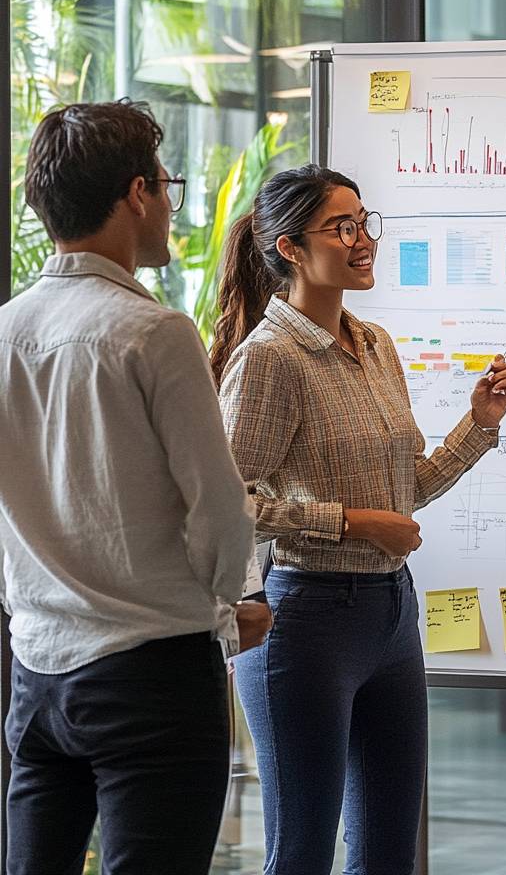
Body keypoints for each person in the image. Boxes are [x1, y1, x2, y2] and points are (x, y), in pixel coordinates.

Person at [211, 164, 506, 875]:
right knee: (302, 855)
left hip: (390, 616)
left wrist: (477, 426)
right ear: (290, 248)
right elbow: (227, 506)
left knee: (387, 854)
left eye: (364, 221)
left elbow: (403, 493)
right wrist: (348, 523)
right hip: (305, 623)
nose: (362, 239)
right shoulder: (268, 360)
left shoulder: (375, 343)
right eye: (341, 226)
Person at [0, 100, 273, 875]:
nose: (167, 205)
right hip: (150, 675)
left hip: (37, 673)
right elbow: (218, 508)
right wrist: (229, 611)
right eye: (165, 184)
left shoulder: (4, 330)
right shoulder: (153, 332)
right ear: (135, 195)